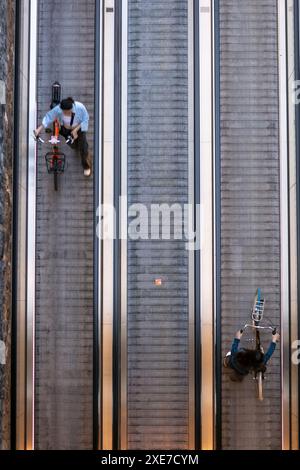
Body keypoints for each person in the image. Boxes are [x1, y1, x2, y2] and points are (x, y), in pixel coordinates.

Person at [35, 97, 92, 177]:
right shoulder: (59, 109)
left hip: (79, 128)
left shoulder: (80, 107)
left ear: (71, 108)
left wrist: (75, 130)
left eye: (66, 112)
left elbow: (86, 119)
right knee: (73, 145)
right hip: (66, 130)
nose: (64, 113)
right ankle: (78, 145)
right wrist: (39, 129)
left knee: (83, 146)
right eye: (63, 112)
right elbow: (49, 117)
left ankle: (86, 165)